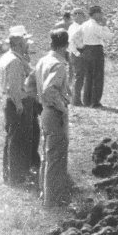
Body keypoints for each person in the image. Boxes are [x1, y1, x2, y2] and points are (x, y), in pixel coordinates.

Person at [33, 29, 71, 207]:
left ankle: (44, 193)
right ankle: (53, 200)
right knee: (56, 157)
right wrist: (62, 108)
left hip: (45, 112)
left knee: (47, 156)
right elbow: (50, 90)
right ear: (66, 45)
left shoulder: (43, 60)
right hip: (55, 113)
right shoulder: (59, 64)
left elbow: (30, 84)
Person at [0, 25, 40, 185]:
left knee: (15, 138)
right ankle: (16, 177)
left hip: (16, 102)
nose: (27, 43)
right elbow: (14, 86)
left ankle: (12, 174)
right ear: (18, 43)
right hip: (18, 102)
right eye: (25, 41)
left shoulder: (12, 57)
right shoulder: (15, 61)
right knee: (18, 140)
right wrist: (19, 104)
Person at [78, 5, 112, 108]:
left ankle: (86, 99)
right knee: (97, 76)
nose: (102, 15)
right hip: (95, 50)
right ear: (96, 14)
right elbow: (108, 36)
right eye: (100, 13)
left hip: (86, 50)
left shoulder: (84, 25)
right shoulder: (95, 26)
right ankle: (95, 101)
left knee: (88, 76)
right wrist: (105, 25)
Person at [67, 8, 87, 106]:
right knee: (78, 76)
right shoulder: (74, 28)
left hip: (79, 52)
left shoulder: (79, 26)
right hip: (76, 53)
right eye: (81, 14)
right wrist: (77, 54)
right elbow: (71, 42)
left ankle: (75, 98)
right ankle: (76, 100)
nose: (83, 17)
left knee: (78, 76)